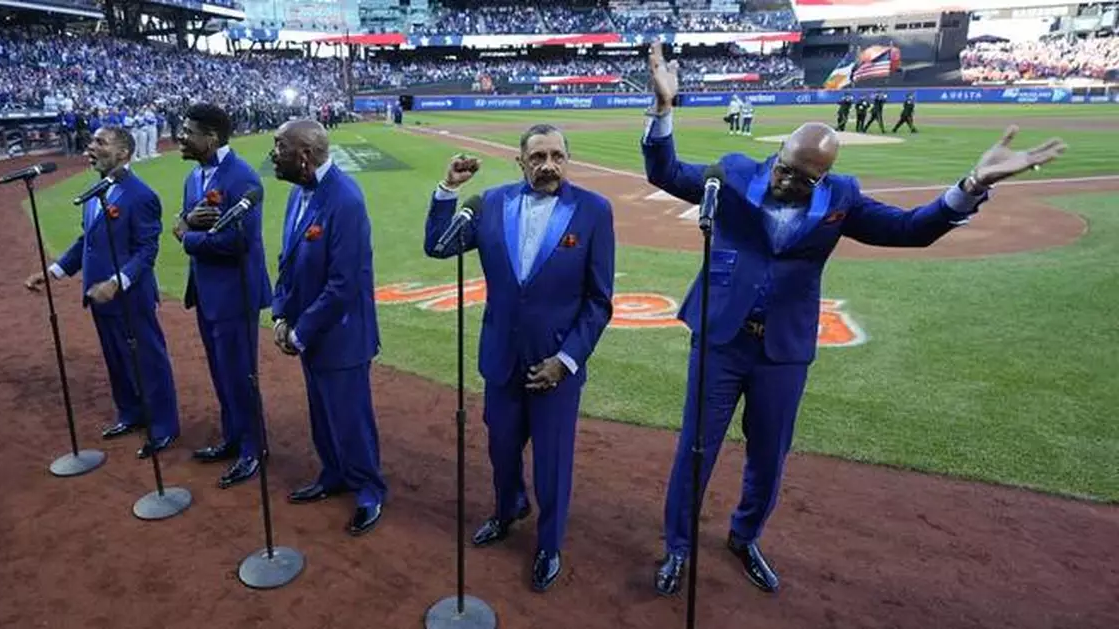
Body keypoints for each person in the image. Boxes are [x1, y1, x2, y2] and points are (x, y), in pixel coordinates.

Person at [641, 41, 1066, 595]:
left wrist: (970, 186)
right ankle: (677, 546)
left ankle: (745, 537)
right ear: (779, 155)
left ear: (826, 175)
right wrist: (662, 109)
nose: (791, 183)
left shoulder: (841, 196)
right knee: (696, 449)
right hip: (721, 340)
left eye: (807, 178)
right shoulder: (733, 173)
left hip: (784, 352)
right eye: (788, 170)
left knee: (768, 458)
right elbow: (664, 169)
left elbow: (910, 229)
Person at [423, 124, 616, 592]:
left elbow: (599, 301)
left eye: (556, 156)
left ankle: (549, 544)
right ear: (520, 162)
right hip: (502, 359)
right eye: (537, 157)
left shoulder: (593, 211)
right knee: (501, 449)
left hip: (556, 366)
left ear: (567, 160)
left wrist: (566, 360)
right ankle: (509, 508)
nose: (548, 165)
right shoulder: (489, 203)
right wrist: (449, 189)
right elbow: (437, 246)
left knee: (552, 462)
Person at [24, 126, 182, 458]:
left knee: (148, 360)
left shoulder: (141, 196)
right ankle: (131, 413)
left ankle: (164, 426)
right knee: (116, 358)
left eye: (100, 142)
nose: (90, 147)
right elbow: (87, 241)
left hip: (129, 296)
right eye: (92, 142)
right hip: (98, 295)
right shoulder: (94, 191)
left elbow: (146, 251)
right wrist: (53, 271)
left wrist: (116, 281)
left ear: (124, 152)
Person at [269, 119, 388, 537]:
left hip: (340, 335)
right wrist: (280, 313)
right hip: (308, 330)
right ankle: (333, 473)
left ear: (303, 156)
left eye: (279, 147)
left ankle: (369, 491)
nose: (273, 155)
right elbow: (287, 262)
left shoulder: (345, 200)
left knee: (350, 417)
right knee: (321, 414)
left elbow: (343, 283)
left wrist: (300, 332)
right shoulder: (297, 195)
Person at [173, 102, 273, 489]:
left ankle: (253, 448)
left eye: (188, 132)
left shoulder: (242, 178)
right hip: (207, 292)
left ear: (210, 138)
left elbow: (239, 241)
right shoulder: (193, 176)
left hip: (235, 293)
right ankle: (233, 437)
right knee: (220, 372)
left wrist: (187, 237)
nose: (181, 137)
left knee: (239, 374)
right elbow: (184, 218)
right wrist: (187, 226)